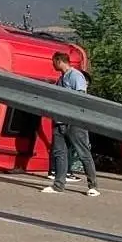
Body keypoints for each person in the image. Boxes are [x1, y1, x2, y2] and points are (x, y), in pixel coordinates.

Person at [43, 52, 99, 196]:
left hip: (74, 122)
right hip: (60, 121)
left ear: (59, 61)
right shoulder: (61, 79)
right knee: (60, 154)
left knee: (83, 153)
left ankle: (93, 186)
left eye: (53, 61)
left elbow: (80, 96)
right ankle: (58, 185)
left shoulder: (75, 76)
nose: (52, 64)